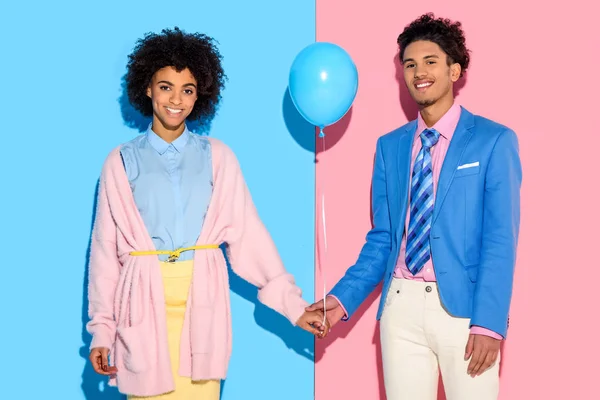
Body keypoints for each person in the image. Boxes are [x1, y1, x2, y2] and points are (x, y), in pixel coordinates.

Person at [86, 27, 328, 399]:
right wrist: (102, 331)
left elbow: (249, 236)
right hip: (141, 309)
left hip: (203, 307)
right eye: (165, 86)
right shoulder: (120, 161)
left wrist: (294, 307)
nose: (176, 99)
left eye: (188, 90)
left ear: (200, 96)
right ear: (147, 87)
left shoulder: (219, 157)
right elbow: (105, 254)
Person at [307, 13, 522, 400]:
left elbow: (499, 240)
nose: (418, 72)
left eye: (430, 61)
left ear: (454, 70)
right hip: (400, 308)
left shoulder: (494, 141)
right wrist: (339, 301)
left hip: (464, 314)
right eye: (409, 64)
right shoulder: (390, 147)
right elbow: (384, 239)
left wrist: (489, 325)